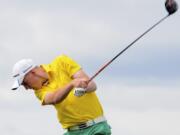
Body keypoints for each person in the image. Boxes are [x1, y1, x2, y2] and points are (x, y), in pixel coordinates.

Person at [11, 54, 111, 135]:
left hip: (96, 128)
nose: (26, 88)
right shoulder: (39, 92)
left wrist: (83, 88)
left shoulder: (62, 62)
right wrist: (71, 84)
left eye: (25, 83)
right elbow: (54, 98)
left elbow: (92, 86)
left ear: (32, 73)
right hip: (72, 132)